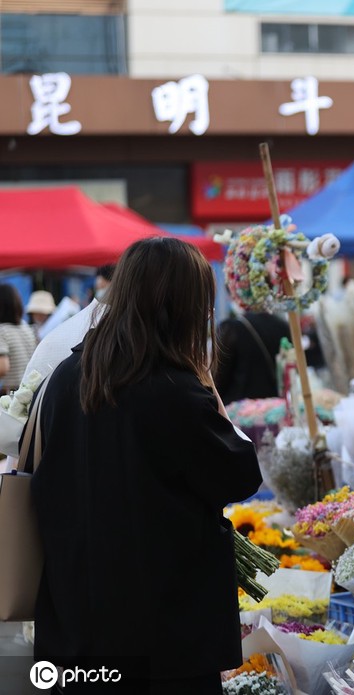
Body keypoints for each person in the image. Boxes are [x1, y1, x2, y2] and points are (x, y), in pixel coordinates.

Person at [29, 238, 262, 693]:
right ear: (186, 305)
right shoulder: (174, 388)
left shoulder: (68, 376)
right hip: (163, 634)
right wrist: (208, 389)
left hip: (78, 622)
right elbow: (240, 475)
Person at [215, 309, 291, 405]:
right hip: (274, 407)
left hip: (238, 409)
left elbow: (220, 376)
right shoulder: (283, 326)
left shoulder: (232, 328)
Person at [0, 284, 38, 393]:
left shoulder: (2, 330)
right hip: (28, 390)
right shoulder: (25, 327)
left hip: (9, 394)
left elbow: (3, 367)